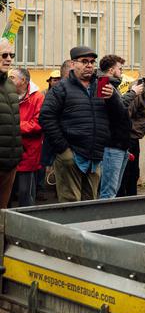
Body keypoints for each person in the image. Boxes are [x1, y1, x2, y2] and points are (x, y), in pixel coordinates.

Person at [39, 45, 127, 203]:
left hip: (94, 157)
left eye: (92, 62)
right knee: (71, 205)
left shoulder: (101, 86)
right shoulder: (61, 88)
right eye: (84, 61)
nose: (89, 65)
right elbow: (46, 118)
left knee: (90, 204)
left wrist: (113, 98)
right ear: (73, 64)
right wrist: (64, 150)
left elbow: (121, 118)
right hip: (71, 155)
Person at [8, 67, 44, 207]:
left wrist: (14, 126)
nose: (8, 80)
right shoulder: (6, 94)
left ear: (23, 80)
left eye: (12, 77)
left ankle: (27, 225)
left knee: (25, 193)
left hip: (28, 151)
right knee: (7, 192)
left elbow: (38, 124)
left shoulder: (38, 97)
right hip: (8, 150)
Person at [98, 54, 132, 199]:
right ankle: (104, 221)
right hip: (112, 145)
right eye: (120, 68)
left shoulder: (112, 86)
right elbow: (117, 112)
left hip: (120, 145)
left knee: (113, 191)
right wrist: (133, 93)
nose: (122, 72)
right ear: (112, 70)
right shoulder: (105, 85)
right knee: (108, 192)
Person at [0, 38, 22, 209]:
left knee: (3, 212)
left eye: (11, 55)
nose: (8, 59)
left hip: (10, 161)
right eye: (4, 55)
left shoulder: (10, 85)